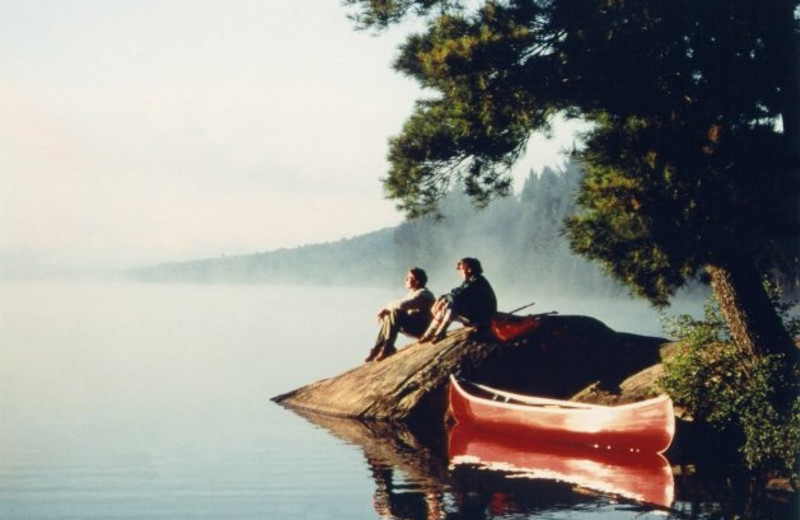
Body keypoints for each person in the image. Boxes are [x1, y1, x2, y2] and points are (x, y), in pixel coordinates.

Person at [366, 267, 435, 362]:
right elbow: (399, 305)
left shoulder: (424, 295)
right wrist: (387, 310)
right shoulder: (413, 293)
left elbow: (402, 305)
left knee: (395, 312)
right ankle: (379, 347)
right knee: (389, 314)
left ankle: (388, 347)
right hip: (414, 325)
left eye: (409, 278)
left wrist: (386, 307)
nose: (406, 280)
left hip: (422, 328)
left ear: (417, 281)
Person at [420, 257, 497, 343]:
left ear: (469, 269)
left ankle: (440, 333)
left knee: (452, 305)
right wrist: (442, 298)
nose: (460, 273)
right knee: (447, 305)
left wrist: (444, 299)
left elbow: (459, 296)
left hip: (483, 317)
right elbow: (456, 291)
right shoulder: (469, 281)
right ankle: (429, 333)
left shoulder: (477, 282)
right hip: (476, 314)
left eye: (461, 269)